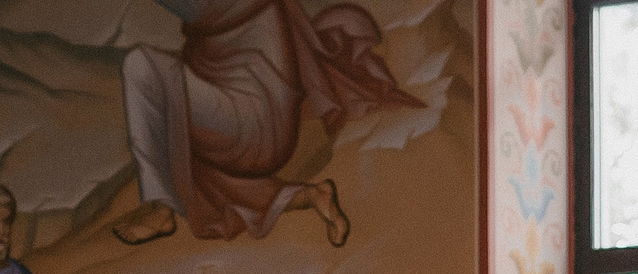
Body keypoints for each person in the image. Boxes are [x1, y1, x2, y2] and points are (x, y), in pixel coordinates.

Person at [113, 0, 417, 246]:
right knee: (157, 78)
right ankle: (310, 195)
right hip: (249, 127)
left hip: (252, 130)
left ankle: (161, 207)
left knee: (142, 66)